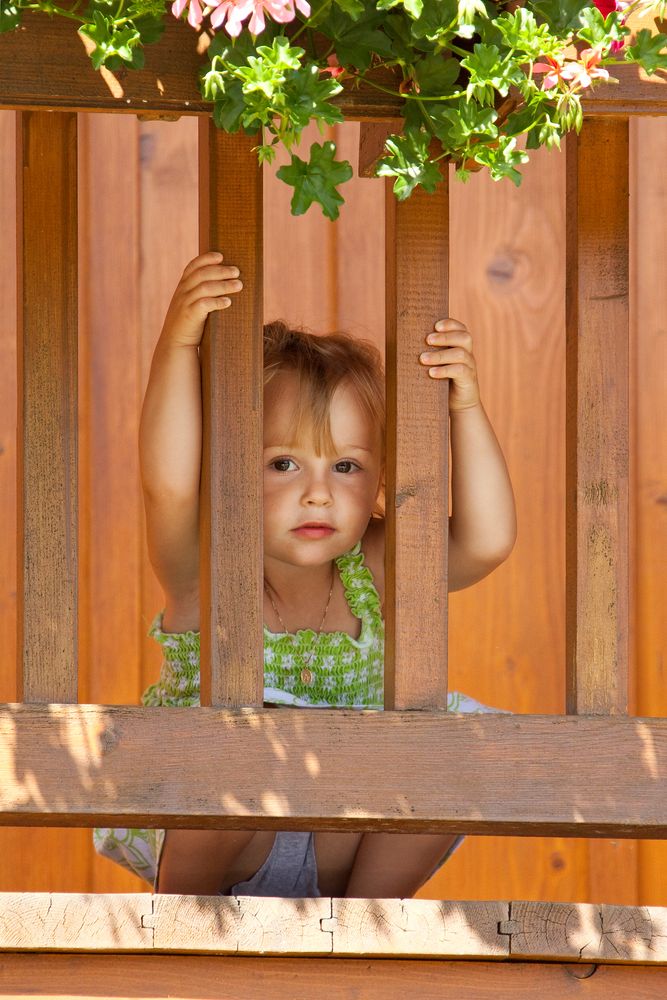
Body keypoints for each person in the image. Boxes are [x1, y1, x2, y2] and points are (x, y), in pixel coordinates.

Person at [94, 250, 516, 898]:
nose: (318, 494)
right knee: (231, 756)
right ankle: (184, 936)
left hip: (337, 836)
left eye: (345, 467)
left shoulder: (371, 566)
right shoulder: (205, 564)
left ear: (379, 478)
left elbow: (485, 542)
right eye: (284, 464)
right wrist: (179, 343)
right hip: (220, 836)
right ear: (226, 465)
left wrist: (465, 408)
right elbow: (170, 481)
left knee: (458, 742)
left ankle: (368, 935)